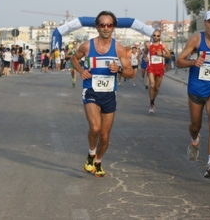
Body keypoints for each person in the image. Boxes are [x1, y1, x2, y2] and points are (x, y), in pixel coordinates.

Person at [70, 10, 133, 177]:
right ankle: (91, 153)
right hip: (91, 90)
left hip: (109, 94)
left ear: (113, 27)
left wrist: (119, 69)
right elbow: (73, 58)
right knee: (95, 127)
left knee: (105, 135)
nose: (106, 28)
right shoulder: (87, 46)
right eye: (102, 25)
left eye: (109, 25)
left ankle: (98, 161)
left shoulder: (119, 49)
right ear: (97, 27)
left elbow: (131, 72)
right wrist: (81, 70)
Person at [176, 10, 210, 179]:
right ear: (205, 24)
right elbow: (179, 61)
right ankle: (195, 141)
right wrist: (193, 62)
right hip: (196, 89)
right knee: (195, 125)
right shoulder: (197, 39)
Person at [143, 30, 171, 113]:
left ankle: (153, 100)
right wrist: (145, 57)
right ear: (152, 36)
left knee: (157, 87)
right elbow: (144, 53)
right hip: (151, 67)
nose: (156, 37)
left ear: (160, 36)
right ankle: (151, 103)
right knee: (152, 85)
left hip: (160, 67)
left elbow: (168, 55)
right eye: (154, 35)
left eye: (158, 36)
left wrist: (161, 54)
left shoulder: (163, 45)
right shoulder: (148, 45)